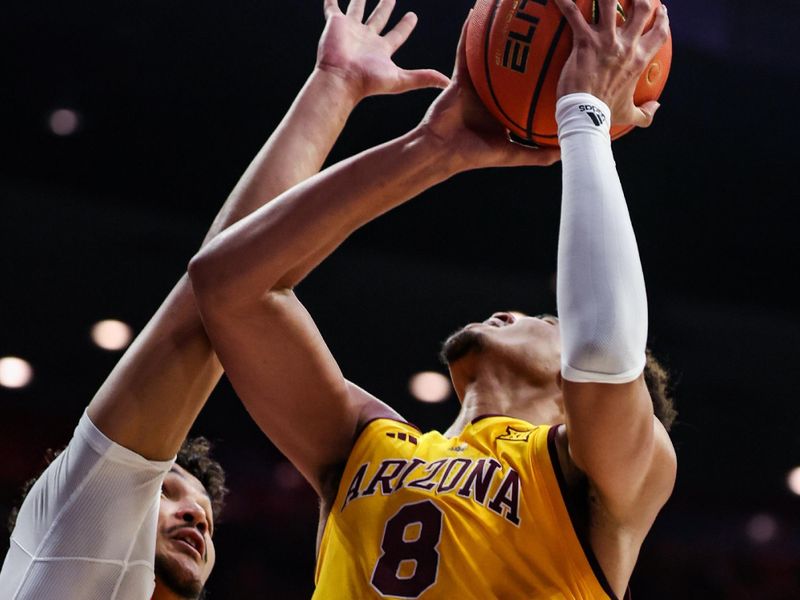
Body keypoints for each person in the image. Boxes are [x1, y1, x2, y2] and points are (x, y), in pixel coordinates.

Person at [188, 0, 676, 597]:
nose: (512, 312)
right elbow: (226, 283)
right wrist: (431, 150)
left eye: (548, 319)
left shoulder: (603, 481)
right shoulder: (364, 439)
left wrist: (584, 113)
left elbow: (602, 347)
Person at [0, 1, 447, 598]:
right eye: (164, 490)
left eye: (199, 504)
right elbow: (213, 300)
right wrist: (341, 94)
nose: (198, 515)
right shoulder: (70, 546)